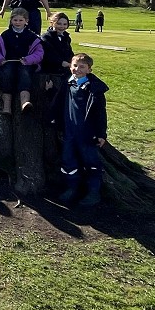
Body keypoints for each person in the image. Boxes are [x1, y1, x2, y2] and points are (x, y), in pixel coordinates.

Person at [51, 53, 109, 206]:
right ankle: (72, 188)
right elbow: (59, 101)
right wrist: (50, 91)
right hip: (70, 132)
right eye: (75, 66)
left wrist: (101, 134)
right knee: (68, 161)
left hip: (87, 134)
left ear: (89, 70)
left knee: (91, 163)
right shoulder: (68, 83)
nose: (77, 69)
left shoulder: (93, 90)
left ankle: (93, 192)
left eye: (82, 67)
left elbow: (100, 114)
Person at [0, 7, 44, 115]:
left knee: (25, 73)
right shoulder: (5, 35)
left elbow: (39, 53)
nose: (18, 23)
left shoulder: (32, 36)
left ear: (26, 21)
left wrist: (28, 59)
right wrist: (0, 59)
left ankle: (25, 102)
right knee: (6, 73)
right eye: (15, 20)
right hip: (7, 62)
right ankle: (7, 105)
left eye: (21, 20)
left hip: (26, 63)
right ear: (11, 21)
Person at [40, 12, 74, 77]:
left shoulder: (66, 37)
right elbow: (48, 55)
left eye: (65, 24)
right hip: (50, 70)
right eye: (59, 24)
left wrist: (74, 60)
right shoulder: (46, 37)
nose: (62, 26)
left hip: (65, 69)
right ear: (52, 23)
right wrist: (61, 62)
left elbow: (69, 53)